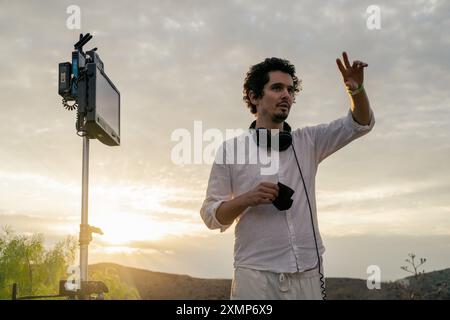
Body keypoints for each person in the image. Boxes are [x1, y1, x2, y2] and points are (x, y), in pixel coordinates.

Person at [200, 52, 375, 300]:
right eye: (277, 88)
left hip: (309, 274)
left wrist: (356, 92)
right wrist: (247, 199)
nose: (286, 95)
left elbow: (360, 123)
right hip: (255, 277)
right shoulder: (231, 149)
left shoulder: (309, 141)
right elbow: (210, 216)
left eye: (290, 90)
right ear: (254, 96)